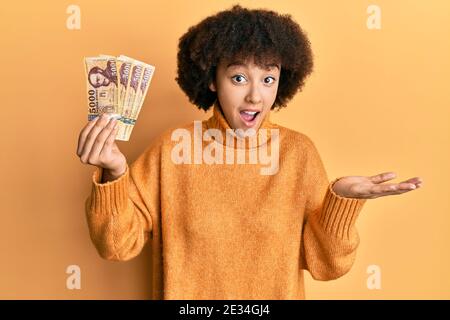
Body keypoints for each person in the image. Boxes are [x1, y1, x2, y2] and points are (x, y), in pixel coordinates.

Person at [76, 5, 423, 300]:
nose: (255, 96)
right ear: (212, 80)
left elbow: (328, 265)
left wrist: (339, 203)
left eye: (268, 79)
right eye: (239, 78)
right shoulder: (171, 150)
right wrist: (115, 174)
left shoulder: (297, 154)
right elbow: (116, 245)